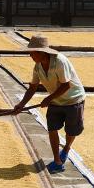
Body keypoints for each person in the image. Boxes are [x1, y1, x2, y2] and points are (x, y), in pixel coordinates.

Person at [12, 35, 86, 173]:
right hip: (55, 100)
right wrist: (21, 104)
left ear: (42, 52)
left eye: (32, 52)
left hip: (73, 99)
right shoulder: (37, 67)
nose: (30, 55)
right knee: (52, 128)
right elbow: (33, 87)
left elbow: (66, 85)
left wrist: (48, 98)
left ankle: (66, 148)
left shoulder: (59, 62)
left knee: (71, 130)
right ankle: (57, 161)